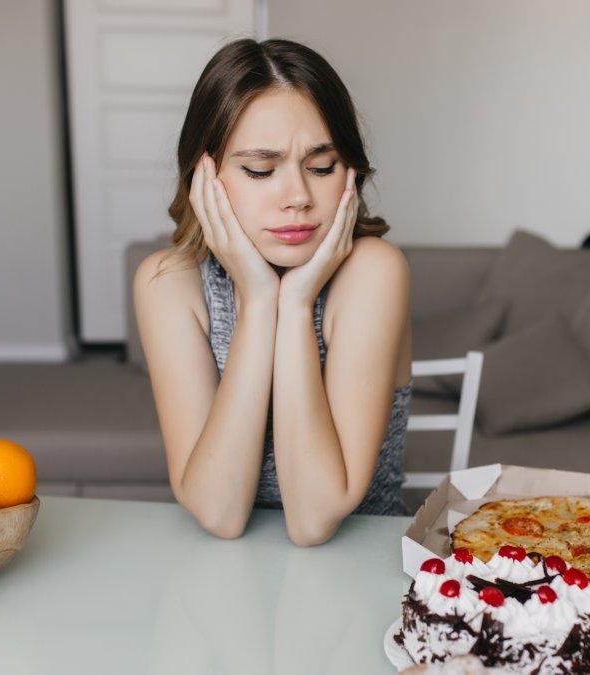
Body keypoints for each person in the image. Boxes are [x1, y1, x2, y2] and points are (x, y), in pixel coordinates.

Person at [132, 38, 413, 546]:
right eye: (261, 170)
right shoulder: (168, 284)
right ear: (206, 174)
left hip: (360, 569)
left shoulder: (374, 272)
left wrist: (297, 301)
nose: (299, 198)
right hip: (226, 577)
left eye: (322, 166)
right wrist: (258, 301)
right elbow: (219, 513)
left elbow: (315, 519)